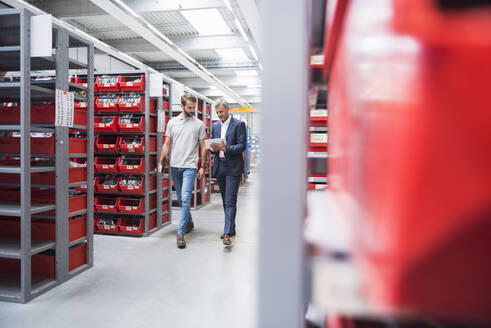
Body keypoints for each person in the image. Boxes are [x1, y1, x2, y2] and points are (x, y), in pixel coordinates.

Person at [158, 93, 206, 249]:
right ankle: (189, 222)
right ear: (182, 106)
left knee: (185, 198)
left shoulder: (199, 124)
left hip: (190, 167)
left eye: (194, 108)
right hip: (175, 166)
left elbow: (203, 146)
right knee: (180, 198)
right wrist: (161, 162)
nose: (193, 110)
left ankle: (180, 233)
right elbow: (166, 144)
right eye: (190, 107)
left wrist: (202, 165)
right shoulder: (172, 123)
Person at [210, 98, 247, 246]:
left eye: (221, 111)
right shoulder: (215, 126)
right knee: (225, 200)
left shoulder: (239, 125)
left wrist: (226, 149)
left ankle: (226, 234)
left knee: (230, 200)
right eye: (217, 112)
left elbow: (242, 146)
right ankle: (231, 228)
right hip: (220, 166)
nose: (219, 114)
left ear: (228, 109)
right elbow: (214, 145)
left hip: (233, 167)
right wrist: (214, 148)